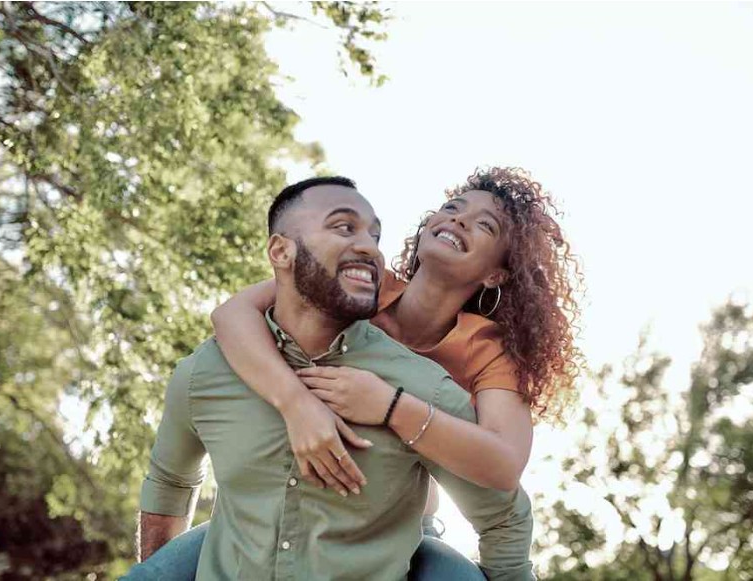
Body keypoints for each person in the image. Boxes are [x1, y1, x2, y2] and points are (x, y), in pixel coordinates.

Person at [124, 177, 535, 580]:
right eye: (452, 208)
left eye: (485, 225)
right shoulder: (356, 284)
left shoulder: (486, 351)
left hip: (391, 526)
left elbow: (503, 471)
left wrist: (390, 406)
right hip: (255, 527)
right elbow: (232, 314)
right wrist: (296, 404)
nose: (460, 221)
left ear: (496, 274)